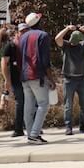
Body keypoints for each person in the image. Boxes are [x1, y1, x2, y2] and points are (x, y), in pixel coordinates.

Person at [55, 23, 84, 135]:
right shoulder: (66, 45)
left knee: (83, 105)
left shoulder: (83, 45)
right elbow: (57, 38)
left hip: (81, 79)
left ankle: (83, 126)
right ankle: (68, 127)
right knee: (68, 105)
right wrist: (67, 28)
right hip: (69, 79)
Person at [20, 12, 55, 144]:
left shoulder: (23, 37)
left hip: (24, 75)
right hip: (37, 74)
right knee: (43, 104)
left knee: (28, 106)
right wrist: (50, 78)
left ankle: (30, 134)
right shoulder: (43, 35)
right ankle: (34, 134)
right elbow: (45, 60)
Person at [1, 23, 27, 137]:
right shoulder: (11, 46)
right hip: (17, 79)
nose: (24, 34)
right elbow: (4, 63)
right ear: (17, 33)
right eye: (22, 32)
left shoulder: (30, 44)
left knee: (31, 103)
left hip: (29, 78)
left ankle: (31, 127)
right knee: (20, 103)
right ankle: (18, 129)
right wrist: (7, 79)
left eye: (27, 31)